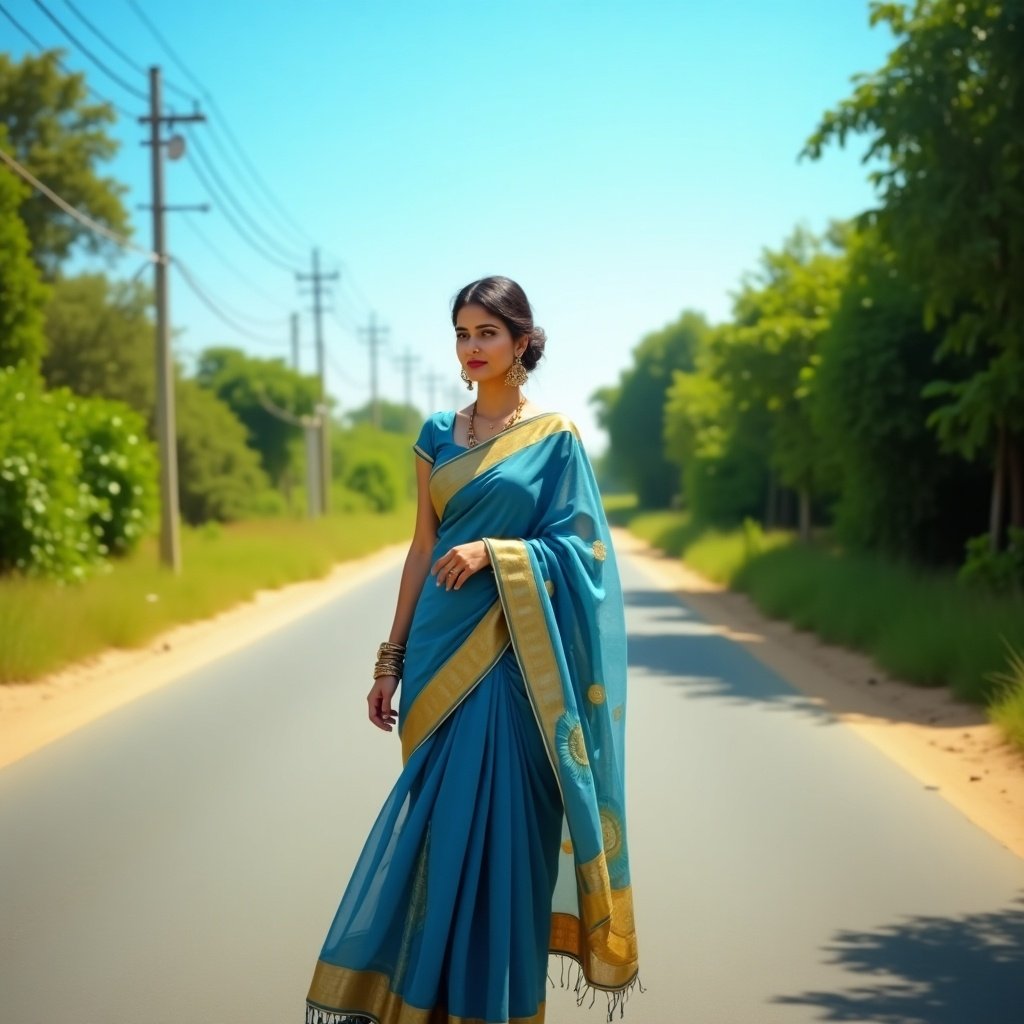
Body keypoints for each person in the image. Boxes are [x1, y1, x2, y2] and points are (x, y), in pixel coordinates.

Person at [305, 276, 639, 1024]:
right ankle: (420, 1005)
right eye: (461, 333)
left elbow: (583, 554)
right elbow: (421, 549)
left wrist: (498, 551)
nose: (471, 348)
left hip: (518, 665)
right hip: (437, 655)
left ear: (522, 341)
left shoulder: (554, 440)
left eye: (487, 332)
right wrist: (388, 660)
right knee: (436, 834)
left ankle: (495, 1008)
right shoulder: (434, 435)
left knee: (505, 843)